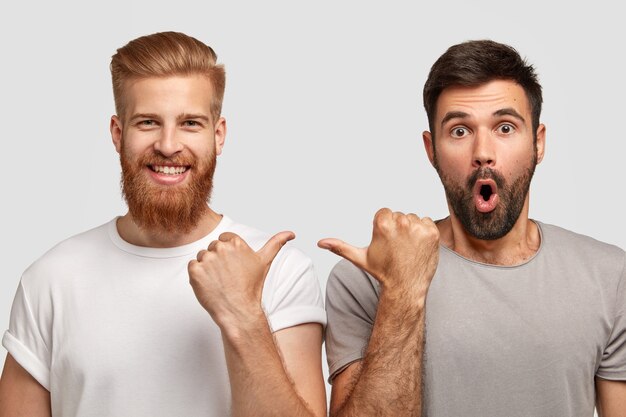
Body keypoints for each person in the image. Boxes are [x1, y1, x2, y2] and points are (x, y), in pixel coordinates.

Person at [0, 31, 327, 417]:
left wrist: (243, 313)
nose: (168, 145)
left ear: (218, 135)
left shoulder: (279, 271)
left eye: (190, 122)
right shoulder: (50, 279)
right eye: (148, 122)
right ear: (118, 134)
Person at [319, 40, 626, 416]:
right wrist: (402, 292)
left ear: (538, 143)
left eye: (505, 127)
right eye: (460, 131)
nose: (483, 151)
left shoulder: (609, 277)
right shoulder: (366, 278)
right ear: (431, 150)